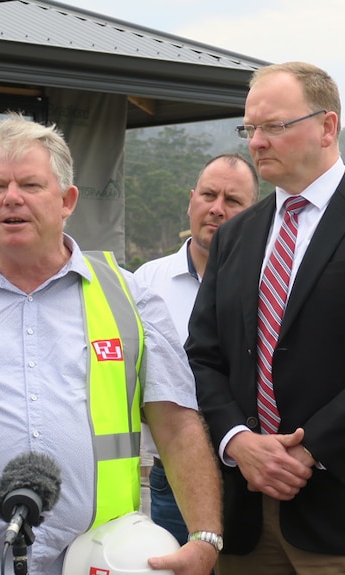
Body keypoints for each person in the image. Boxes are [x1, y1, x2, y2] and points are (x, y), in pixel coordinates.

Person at [0, 113, 222, 575]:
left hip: (97, 560)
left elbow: (177, 425)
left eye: (31, 185)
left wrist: (205, 536)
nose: (12, 198)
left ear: (67, 200)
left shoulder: (130, 298)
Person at [185, 61, 345, 575]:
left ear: (328, 127)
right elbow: (204, 354)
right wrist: (238, 440)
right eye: (249, 128)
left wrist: (310, 452)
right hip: (246, 515)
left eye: (274, 126)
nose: (256, 142)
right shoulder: (237, 236)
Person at [135, 153, 259, 545]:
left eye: (234, 201)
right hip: (171, 475)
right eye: (208, 195)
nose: (217, 209)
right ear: (191, 200)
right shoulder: (145, 283)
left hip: (248, 473)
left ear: (254, 211)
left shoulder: (269, 285)